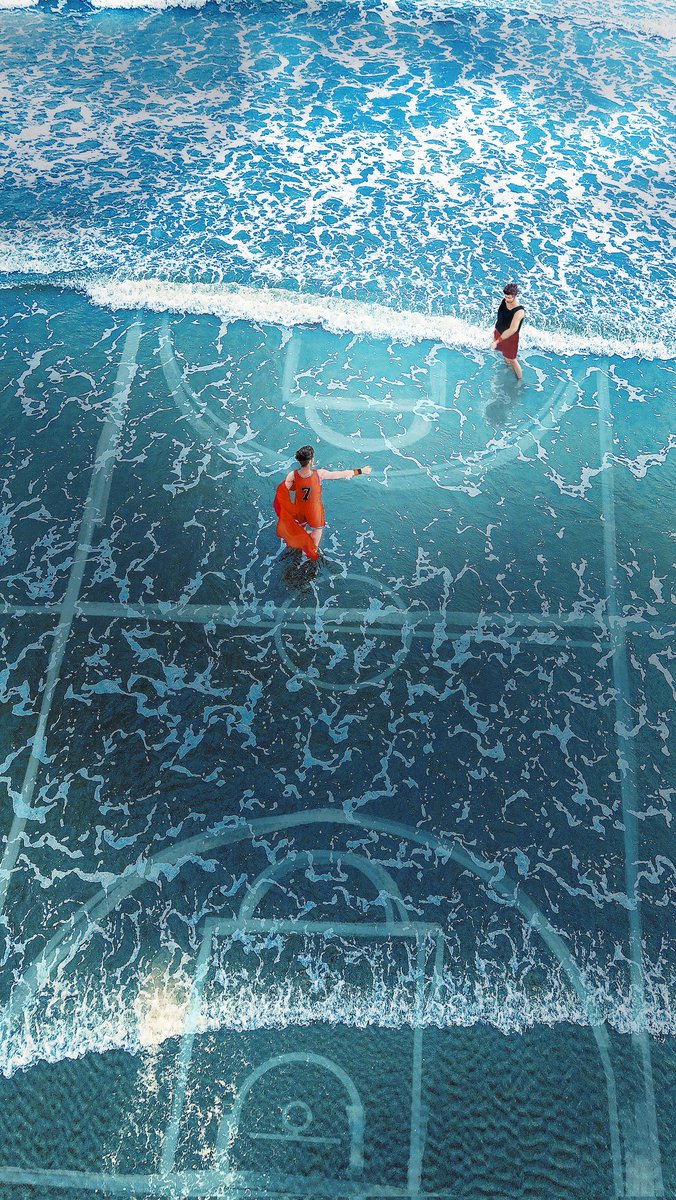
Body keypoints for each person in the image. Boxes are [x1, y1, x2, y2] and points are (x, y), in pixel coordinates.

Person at [273, 445, 372, 560]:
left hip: (299, 509)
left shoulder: (292, 475)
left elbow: (285, 491)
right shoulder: (319, 474)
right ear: (311, 461)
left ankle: (297, 545)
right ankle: (308, 554)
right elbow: (340, 474)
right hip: (314, 511)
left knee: (299, 528)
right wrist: (361, 471)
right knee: (317, 531)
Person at [492, 282, 525, 381]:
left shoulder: (519, 311)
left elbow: (512, 329)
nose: (506, 299)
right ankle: (507, 366)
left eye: (509, 298)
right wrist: (496, 331)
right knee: (504, 354)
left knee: (513, 360)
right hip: (499, 332)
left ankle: (519, 381)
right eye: (505, 296)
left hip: (510, 338)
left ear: (514, 296)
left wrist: (497, 341)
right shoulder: (505, 301)